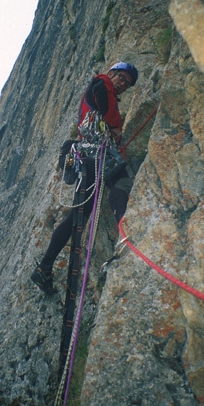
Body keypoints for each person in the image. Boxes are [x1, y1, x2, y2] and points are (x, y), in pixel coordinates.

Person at [31, 62, 138, 294]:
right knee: (120, 181)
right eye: (121, 77)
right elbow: (102, 94)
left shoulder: (105, 92)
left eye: (126, 84)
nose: (122, 84)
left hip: (93, 155)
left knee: (78, 216)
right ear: (112, 74)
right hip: (95, 154)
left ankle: (45, 267)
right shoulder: (102, 83)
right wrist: (115, 128)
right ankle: (125, 229)